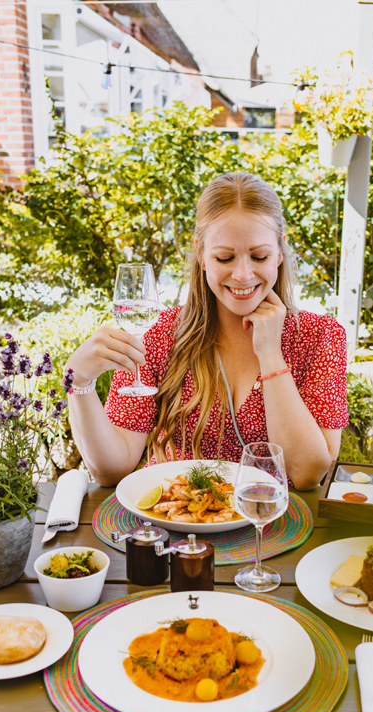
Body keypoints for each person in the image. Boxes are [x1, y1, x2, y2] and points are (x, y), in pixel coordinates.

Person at [64, 172, 349, 490]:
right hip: (174, 523)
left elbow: (308, 473)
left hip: (265, 527)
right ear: (200, 254)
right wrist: (80, 383)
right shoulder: (160, 334)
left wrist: (270, 354)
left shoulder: (321, 336)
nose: (242, 275)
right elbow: (111, 470)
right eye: (224, 257)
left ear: (280, 252)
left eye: (259, 256)